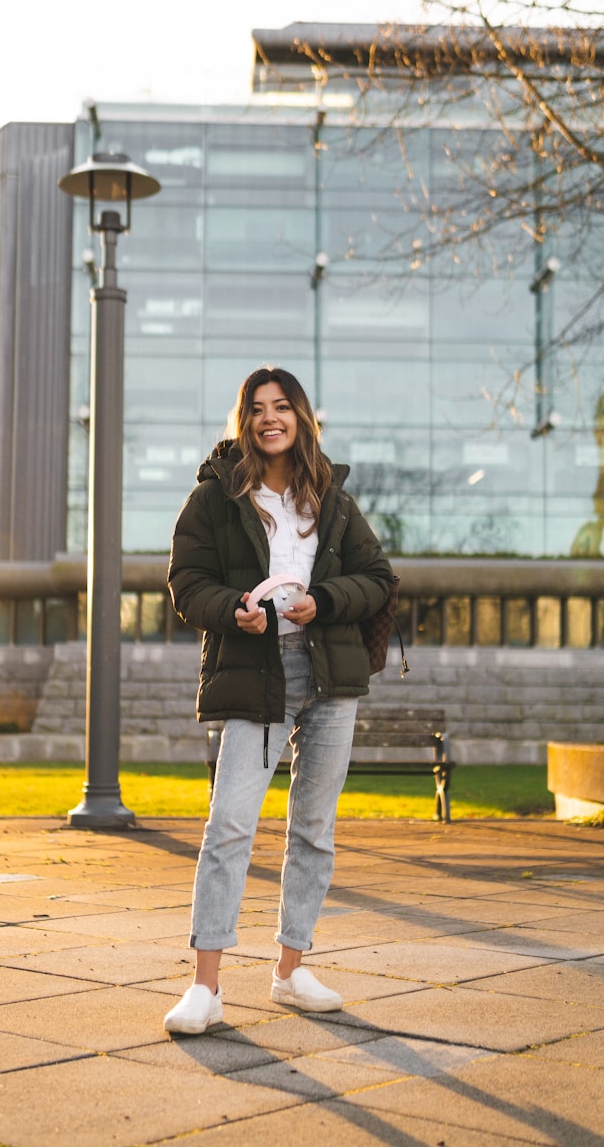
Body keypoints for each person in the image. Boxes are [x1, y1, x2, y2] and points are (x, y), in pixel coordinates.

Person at [164, 366, 393, 1035]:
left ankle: (290, 970)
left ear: (299, 416)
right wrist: (236, 608)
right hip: (253, 672)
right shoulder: (216, 496)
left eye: (281, 406)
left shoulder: (332, 496)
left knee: (313, 830)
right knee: (229, 824)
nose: (270, 418)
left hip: (329, 676)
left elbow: (375, 578)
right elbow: (185, 581)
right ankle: (205, 987)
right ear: (245, 420)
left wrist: (322, 601)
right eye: (257, 408)